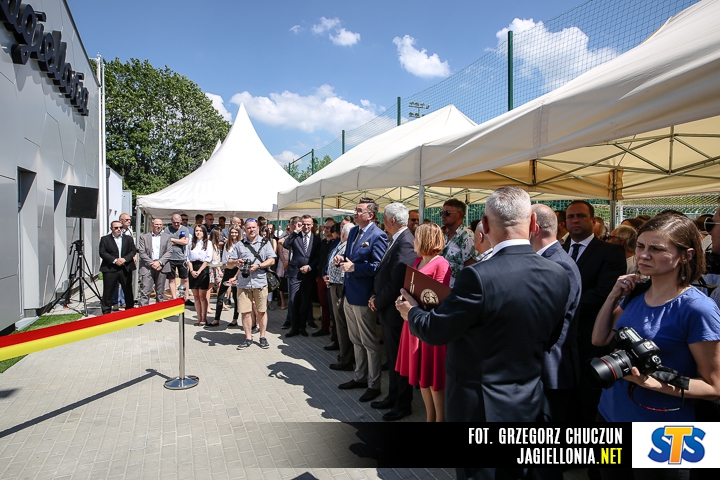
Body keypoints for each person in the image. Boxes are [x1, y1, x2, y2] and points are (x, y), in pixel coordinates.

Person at [396, 186, 570, 423]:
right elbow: (551, 337)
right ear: (532, 222)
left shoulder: (477, 276)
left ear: (485, 226)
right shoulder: (558, 273)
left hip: (480, 406)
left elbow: (436, 330)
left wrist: (412, 312)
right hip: (530, 402)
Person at [592, 213, 720, 480]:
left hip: (665, 435)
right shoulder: (636, 293)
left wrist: (652, 383)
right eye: (640, 246)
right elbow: (599, 339)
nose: (643, 255)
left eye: (656, 249)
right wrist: (614, 295)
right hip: (611, 416)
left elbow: (714, 387)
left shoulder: (698, 309)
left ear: (686, 255)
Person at [563, 200, 627, 422]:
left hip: (592, 337)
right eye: (571, 217)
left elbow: (605, 293)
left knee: (589, 398)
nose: (575, 220)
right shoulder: (557, 251)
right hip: (561, 341)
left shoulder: (611, 252)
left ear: (593, 221)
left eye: (580, 216)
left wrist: (560, 305)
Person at [530, 204, 582, 422]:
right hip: (542, 368)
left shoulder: (559, 265)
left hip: (552, 371)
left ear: (533, 226)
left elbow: (547, 322)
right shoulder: (549, 261)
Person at [396, 223, 451, 422]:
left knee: (433, 378)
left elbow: (439, 299)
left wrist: (412, 304)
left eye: (417, 237)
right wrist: (402, 299)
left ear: (426, 240)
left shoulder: (441, 263)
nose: (413, 241)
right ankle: (430, 417)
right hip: (412, 323)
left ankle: (440, 419)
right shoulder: (418, 260)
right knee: (422, 377)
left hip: (428, 325)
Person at [335, 198, 388, 403]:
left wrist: (355, 268)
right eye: (355, 210)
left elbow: (378, 266)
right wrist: (341, 260)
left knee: (369, 342)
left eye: (359, 211)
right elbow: (351, 258)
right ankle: (360, 377)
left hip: (364, 296)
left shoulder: (378, 235)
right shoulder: (354, 232)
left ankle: (374, 384)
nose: (355, 213)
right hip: (349, 293)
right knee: (355, 339)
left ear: (370, 215)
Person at [368, 203, 417, 421]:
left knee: (399, 359)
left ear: (392, 220)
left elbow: (397, 280)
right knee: (393, 358)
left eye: (383, 218)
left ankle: (402, 403)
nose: (382, 222)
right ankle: (393, 396)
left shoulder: (405, 242)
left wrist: (378, 302)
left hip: (395, 311)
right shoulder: (396, 239)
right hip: (388, 309)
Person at [227, 218, 276, 350]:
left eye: (253, 227)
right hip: (243, 284)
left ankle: (262, 337)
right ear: (245, 230)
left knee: (261, 311)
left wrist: (258, 266)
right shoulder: (239, 244)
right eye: (249, 228)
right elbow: (229, 263)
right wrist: (236, 262)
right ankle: (248, 338)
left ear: (258, 228)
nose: (251, 230)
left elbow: (272, 260)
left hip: (260, 282)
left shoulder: (265, 242)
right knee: (245, 312)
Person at [284, 215, 321, 337]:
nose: (306, 226)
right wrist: (295, 231)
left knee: (306, 301)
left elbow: (317, 257)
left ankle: (302, 326)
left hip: (309, 274)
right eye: (303, 224)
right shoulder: (295, 236)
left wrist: (310, 267)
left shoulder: (316, 239)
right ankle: (294, 327)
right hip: (295, 273)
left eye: (308, 224)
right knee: (293, 300)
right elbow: (286, 245)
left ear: (312, 225)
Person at [325, 223, 355, 366]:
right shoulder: (341, 244)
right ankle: (345, 354)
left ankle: (346, 358)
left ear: (343, 234)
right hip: (335, 284)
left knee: (342, 323)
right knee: (340, 322)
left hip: (339, 287)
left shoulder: (347, 246)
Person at [99, 220, 137, 314]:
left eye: (120, 227)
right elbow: (102, 252)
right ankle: (106, 311)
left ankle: (129, 310)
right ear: (111, 228)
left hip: (125, 267)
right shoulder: (105, 239)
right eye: (116, 228)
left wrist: (125, 259)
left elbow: (133, 251)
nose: (119, 229)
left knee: (127, 290)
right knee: (108, 291)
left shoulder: (128, 238)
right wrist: (115, 260)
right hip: (110, 268)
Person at [137, 218, 172, 312]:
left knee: (160, 293)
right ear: (152, 225)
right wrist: (152, 263)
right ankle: (143, 313)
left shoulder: (167, 237)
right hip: (148, 267)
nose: (159, 226)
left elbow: (169, 251)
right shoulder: (144, 237)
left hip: (161, 267)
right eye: (157, 224)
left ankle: (158, 313)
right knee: (145, 291)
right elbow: (142, 252)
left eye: (160, 224)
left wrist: (159, 262)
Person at [440, 198, 477, 286]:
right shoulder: (446, 236)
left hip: (458, 290)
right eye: (442, 213)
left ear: (460, 215)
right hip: (444, 288)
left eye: (447, 213)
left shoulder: (467, 236)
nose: (443, 216)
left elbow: (471, 269)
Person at [211, 225, 241, 328]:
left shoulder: (241, 244)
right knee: (220, 295)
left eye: (235, 232)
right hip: (228, 271)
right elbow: (224, 259)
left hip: (237, 272)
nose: (234, 234)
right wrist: (225, 266)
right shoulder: (226, 244)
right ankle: (216, 319)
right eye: (232, 232)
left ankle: (235, 319)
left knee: (236, 296)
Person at [314, 218, 337, 336]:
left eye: (329, 227)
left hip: (332, 280)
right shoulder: (323, 242)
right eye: (325, 227)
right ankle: (324, 327)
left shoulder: (337, 243)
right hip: (321, 278)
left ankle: (335, 331)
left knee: (333, 306)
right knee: (323, 304)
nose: (326, 230)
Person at [187, 225, 213, 326]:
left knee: (202, 296)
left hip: (203, 269)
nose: (198, 232)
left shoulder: (208, 243)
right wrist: (192, 270)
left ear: (204, 232)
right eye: (196, 231)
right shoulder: (191, 243)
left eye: (200, 231)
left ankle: (204, 318)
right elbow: (188, 258)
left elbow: (208, 258)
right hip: (193, 268)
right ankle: (198, 318)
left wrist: (199, 271)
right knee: (196, 296)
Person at [164, 214, 191, 300]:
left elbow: (185, 242)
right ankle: (174, 297)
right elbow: (165, 242)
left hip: (181, 258)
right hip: (170, 258)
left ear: (180, 221)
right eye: (174, 222)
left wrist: (172, 239)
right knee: (171, 279)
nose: (176, 224)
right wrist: (179, 241)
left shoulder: (185, 229)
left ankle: (185, 297)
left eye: (178, 222)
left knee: (185, 278)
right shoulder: (167, 229)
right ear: (171, 221)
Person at [205, 229, 224, 321]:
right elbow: (214, 260)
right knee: (209, 288)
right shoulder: (212, 246)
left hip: (215, 267)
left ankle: (221, 303)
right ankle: (207, 307)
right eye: (220, 235)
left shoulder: (215, 245)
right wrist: (219, 270)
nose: (221, 236)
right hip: (212, 268)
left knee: (219, 285)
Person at [276, 223, 290, 311]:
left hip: (291, 261)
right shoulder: (282, 239)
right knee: (281, 282)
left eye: (290, 229)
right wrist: (284, 262)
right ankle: (282, 301)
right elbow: (280, 252)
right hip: (282, 262)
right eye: (287, 229)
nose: (289, 230)